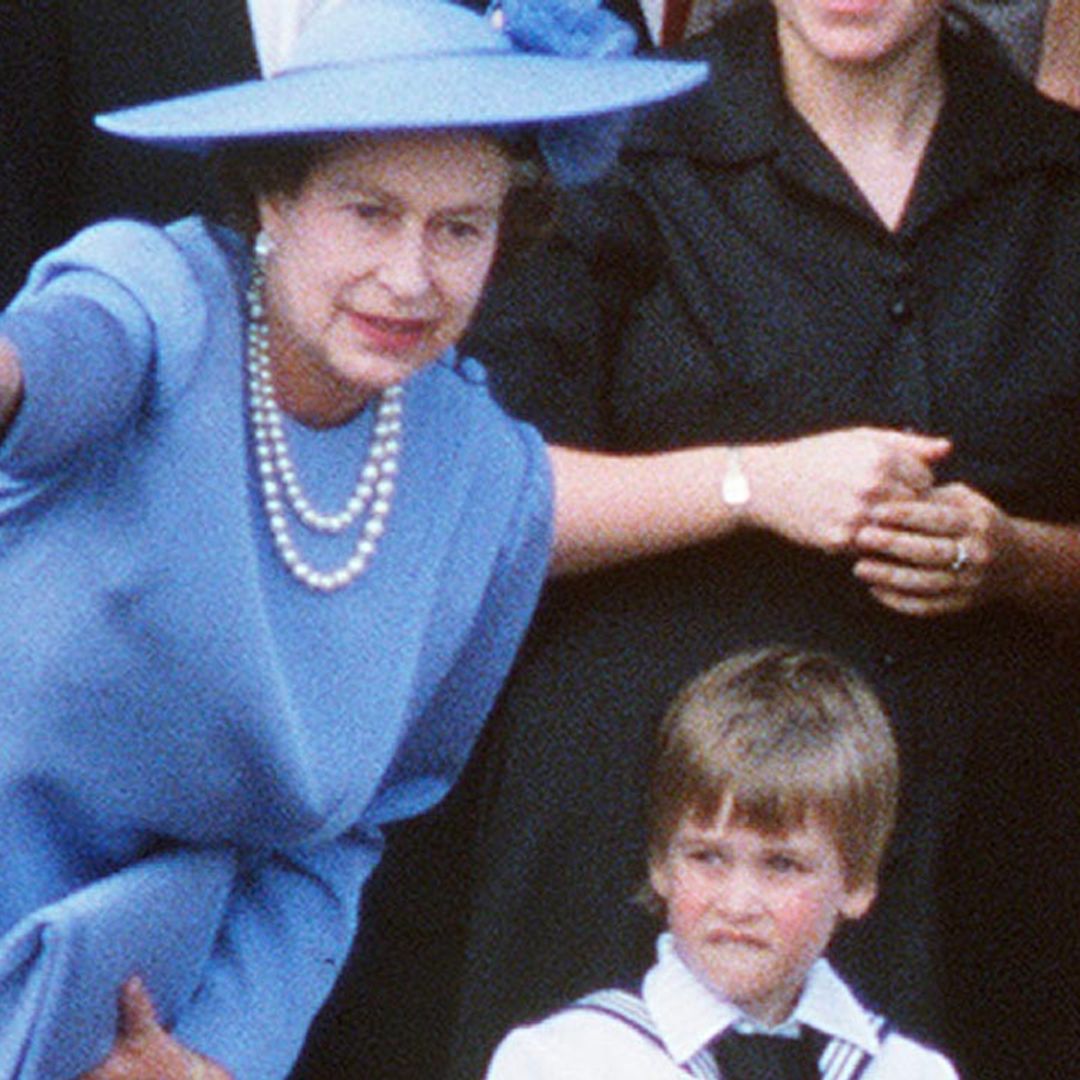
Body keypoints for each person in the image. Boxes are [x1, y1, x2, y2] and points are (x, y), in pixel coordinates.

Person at [333, 2, 1080, 1078]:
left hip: (969, 858)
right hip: (648, 832)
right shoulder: (615, 147)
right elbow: (472, 498)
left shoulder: (1054, 179)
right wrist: (752, 483)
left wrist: (1016, 557)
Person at [0, 2, 717, 1077]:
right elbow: (49, 365)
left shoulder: (483, 483)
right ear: (274, 197)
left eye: (459, 228)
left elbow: (337, 840)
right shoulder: (162, 303)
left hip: (112, 1025)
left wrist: (217, 1057)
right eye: (369, 213)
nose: (410, 276)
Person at [486, 646, 960, 1079]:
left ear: (856, 882)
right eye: (708, 857)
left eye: (782, 865)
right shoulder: (566, 1060)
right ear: (660, 864)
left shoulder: (909, 1072)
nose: (737, 903)